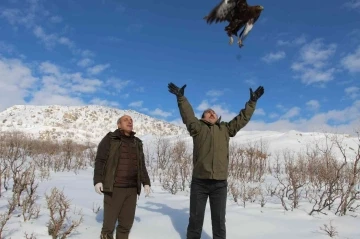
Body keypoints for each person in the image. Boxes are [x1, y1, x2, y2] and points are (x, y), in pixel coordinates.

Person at [168, 82, 264, 239]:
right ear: (203, 117)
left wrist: (252, 102)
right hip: (200, 182)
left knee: (219, 221)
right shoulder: (197, 128)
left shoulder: (226, 128)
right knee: (195, 220)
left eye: (213, 112)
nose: (212, 113)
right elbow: (188, 115)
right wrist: (181, 98)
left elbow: (242, 118)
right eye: (208, 112)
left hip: (220, 183)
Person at [93, 114, 151, 239]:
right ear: (119, 124)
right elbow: (100, 160)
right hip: (114, 188)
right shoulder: (110, 139)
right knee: (109, 225)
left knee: (126, 224)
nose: (129, 122)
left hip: (132, 189)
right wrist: (97, 180)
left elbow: (141, 164)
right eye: (126, 120)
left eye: (131, 120)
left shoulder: (137, 142)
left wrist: (146, 182)